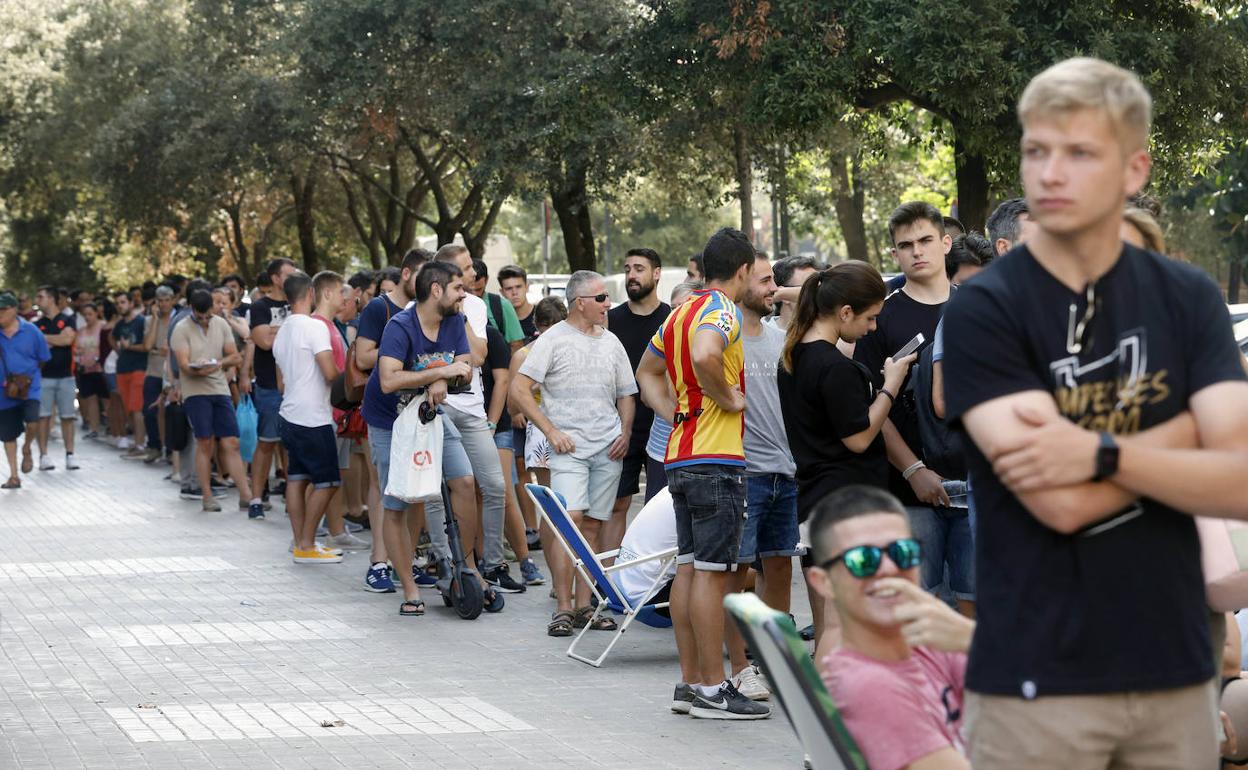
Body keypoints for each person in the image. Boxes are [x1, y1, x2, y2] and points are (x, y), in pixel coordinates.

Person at [942, 57, 1248, 768]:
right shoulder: (986, 308)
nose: (1050, 174)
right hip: (1038, 682)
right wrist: (1189, 438)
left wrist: (1100, 452)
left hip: (1175, 675)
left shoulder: (1187, 296)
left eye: (1079, 153)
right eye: (1036, 151)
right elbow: (1060, 502)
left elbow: (1238, 483)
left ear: (1134, 170)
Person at [635, 227, 770, 720]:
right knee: (713, 576)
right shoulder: (719, 309)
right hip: (717, 460)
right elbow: (706, 354)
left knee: (691, 570)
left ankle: (691, 683)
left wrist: (673, 408)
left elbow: (646, 371)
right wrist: (727, 397)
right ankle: (714, 690)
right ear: (742, 271)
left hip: (681, 456)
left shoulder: (678, 312)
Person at [778, 261, 915, 664]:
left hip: (819, 498)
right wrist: (890, 385)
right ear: (845, 312)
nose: (873, 328)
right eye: (870, 318)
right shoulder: (832, 367)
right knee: (842, 622)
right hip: (845, 502)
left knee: (830, 622)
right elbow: (858, 438)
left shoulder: (796, 356)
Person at [854, 202, 972, 615]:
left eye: (925, 240)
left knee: (974, 614)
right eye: (906, 245)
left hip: (976, 487)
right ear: (894, 255)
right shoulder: (880, 316)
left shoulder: (977, 307)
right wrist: (912, 469)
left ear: (945, 243)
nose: (917, 251)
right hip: (906, 492)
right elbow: (872, 405)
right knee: (913, 614)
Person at [808, 484, 972, 770]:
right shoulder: (868, 684)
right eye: (863, 560)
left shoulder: (928, 644)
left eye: (902, 552)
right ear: (824, 582)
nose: (888, 569)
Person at [512, 269, 637, 635]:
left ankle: (586, 606)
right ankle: (563, 607)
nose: (607, 304)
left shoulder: (611, 341)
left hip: (609, 449)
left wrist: (626, 432)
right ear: (579, 302)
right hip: (569, 450)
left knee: (595, 525)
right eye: (600, 298)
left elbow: (626, 393)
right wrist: (551, 431)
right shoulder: (553, 340)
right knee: (570, 524)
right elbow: (520, 390)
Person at [374, 261, 476, 612]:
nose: (465, 293)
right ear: (436, 290)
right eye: (458, 287)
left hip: (430, 416)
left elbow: (466, 369)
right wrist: (442, 371)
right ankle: (409, 590)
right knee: (399, 501)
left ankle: (467, 569)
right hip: (391, 420)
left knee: (464, 480)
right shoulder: (400, 326)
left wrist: (442, 378)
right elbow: (388, 380)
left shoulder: (455, 322)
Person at [725, 253, 799, 701]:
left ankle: (775, 660)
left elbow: (817, 292)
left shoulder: (779, 339)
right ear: (739, 281)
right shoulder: (721, 336)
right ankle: (739, 668)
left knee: (780, 566)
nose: (774, 288)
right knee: (736, 573)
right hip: (742, 473)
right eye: (766, 280)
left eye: (776, 280)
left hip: (785, 473)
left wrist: (775, 289)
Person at [433, 245, 521, 594]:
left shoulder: (475, 305)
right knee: (441, 492)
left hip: (471, 410)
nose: (473, 274)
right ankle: (449, 563)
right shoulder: (421, 307)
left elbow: (480, 356)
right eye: (466, 268)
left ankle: (494, 563)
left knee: (495, 486)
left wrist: (459, 315)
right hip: (436, 408)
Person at [602, 248, 670, 557]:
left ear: (656, 273)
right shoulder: (611, 320)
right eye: (628, 268)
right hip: (619, 427)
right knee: (616, 504)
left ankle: (647, 578)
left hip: (663, 426)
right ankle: (608, 581)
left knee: (658, 508)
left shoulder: (672, 318)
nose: (632, 275)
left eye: (639, 268)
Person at [273, 272, 344, 563]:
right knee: (328, 482)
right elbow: (330, 374)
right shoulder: (314, 328)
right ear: (311, 293)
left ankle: (301, 541)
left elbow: (280, 383)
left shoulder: (283, 330)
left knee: (297, 479)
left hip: (289, 413)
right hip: (312, 417)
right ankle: (306, 542)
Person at [170, 289, 258, 515]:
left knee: (231, 442)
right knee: (205, 442)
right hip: (195, 392)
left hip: (219, 389)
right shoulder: (181, 329)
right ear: (192, 310)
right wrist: (196, 368)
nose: (205, 320)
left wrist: (217, 364)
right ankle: (206, 495)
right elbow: (183, 364)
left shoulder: (220, 324)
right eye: (200, 317)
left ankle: (245, 494)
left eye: (208, 315)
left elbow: (235, 356)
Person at [641, 281, 701, 503]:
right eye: (673, 308)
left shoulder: (710, 346)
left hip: (697, 452)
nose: (677, 314)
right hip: (661, 449)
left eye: (684, 306)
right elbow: (647, 397)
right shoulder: (662, 343)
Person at [247, 258, 300, 511]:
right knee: (267, 442)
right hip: (269, 384)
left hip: (297, 385)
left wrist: (275, 330)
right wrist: (289, 329)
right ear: (276, 278)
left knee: (292, 445)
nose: (294, 277)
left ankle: (294, 500)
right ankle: (256, 498)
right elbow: (263, 342)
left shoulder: (300, 304)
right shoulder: (260, 306)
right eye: (289, 274)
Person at [0, 291, 49, 489]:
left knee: (33, 422)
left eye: (3, 309)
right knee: (8, 434)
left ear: (13, 310)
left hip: (30, 388)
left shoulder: (32, 331)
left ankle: (27, 448)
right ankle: (14, 476)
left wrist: (27, 379)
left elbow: (43, 359)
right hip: (3, 392)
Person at [32, 285, 78, 471]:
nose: (38, 300)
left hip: (66, 377)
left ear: (51, 298)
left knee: (68, 417)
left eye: (40, 297)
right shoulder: (36, 324)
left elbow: (67, 340)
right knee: (43, 417)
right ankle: (43, 456)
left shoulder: (68, 319)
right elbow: (38, 347)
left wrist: (45, 338)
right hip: (43, 377)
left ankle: (70, 454)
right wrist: (55, 338)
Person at [111, 290, 149, 459]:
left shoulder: (141, 322)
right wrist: (119, 349)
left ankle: (140, 444)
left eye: (123, 302)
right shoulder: (119, 324)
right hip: (122, 369)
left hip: (138, 368)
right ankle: (137, 442)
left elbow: (146, 346)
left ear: (131, 303)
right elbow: (111, 338)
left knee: (137, 407)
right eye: (118, 303)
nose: (120, 306)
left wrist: (128, 347)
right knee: (128, 408)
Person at [141, 286, 175, 463]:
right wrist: (155, 319)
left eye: (166, 300)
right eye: (160, 301)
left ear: (173, 300)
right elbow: (148, 345)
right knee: (149, 409)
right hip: (153, 370)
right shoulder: (148, 320)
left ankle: (170, 450)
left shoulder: (178, 319)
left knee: (169, 411)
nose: (163, 304)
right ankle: (154, 446)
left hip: (171, 372)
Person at [73, 302, 108, 439]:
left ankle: (113, 426)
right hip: (86, 369)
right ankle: (94, 428)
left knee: (106, 399)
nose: (87, 317)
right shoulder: (81, 331)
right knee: (91, 399)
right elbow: (75, 348)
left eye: (90, 314)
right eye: (85, 314)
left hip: (101, 369)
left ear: (96, 313)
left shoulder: (103, 327)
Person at [768, 256, 823, 331]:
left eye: (820, 287)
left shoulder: (829, 333)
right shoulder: (762, 333)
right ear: (785, 295)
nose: (820, 295)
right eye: (810, 287)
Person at [497, 264, 537, 342]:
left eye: (518, 287)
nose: (514, 292)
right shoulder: (499, 321)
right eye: (509, 288)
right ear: (502, 292)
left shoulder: (542, 314)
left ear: (527, 287)